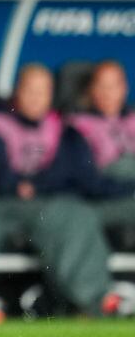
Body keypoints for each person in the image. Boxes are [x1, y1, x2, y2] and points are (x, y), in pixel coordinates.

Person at [0, 64, 122, 317]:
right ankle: (90, 298)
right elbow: (2, 180)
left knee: (74, 212)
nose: (36, 97)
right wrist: (27, 185)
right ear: (17, 92)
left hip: (47, 203)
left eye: (43, 91)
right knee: (67, 214)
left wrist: (34, 185)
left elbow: (69, 174)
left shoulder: (62, 127)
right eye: (30, 90)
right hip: (3, 206)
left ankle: (95, 298)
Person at [63, 60, 135, 233]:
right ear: (91, 90)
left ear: (125, 88)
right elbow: (89, 182)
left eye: (113, 86)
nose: (107, 93)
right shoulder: (78, 125)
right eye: (101, 86)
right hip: (110, 197)